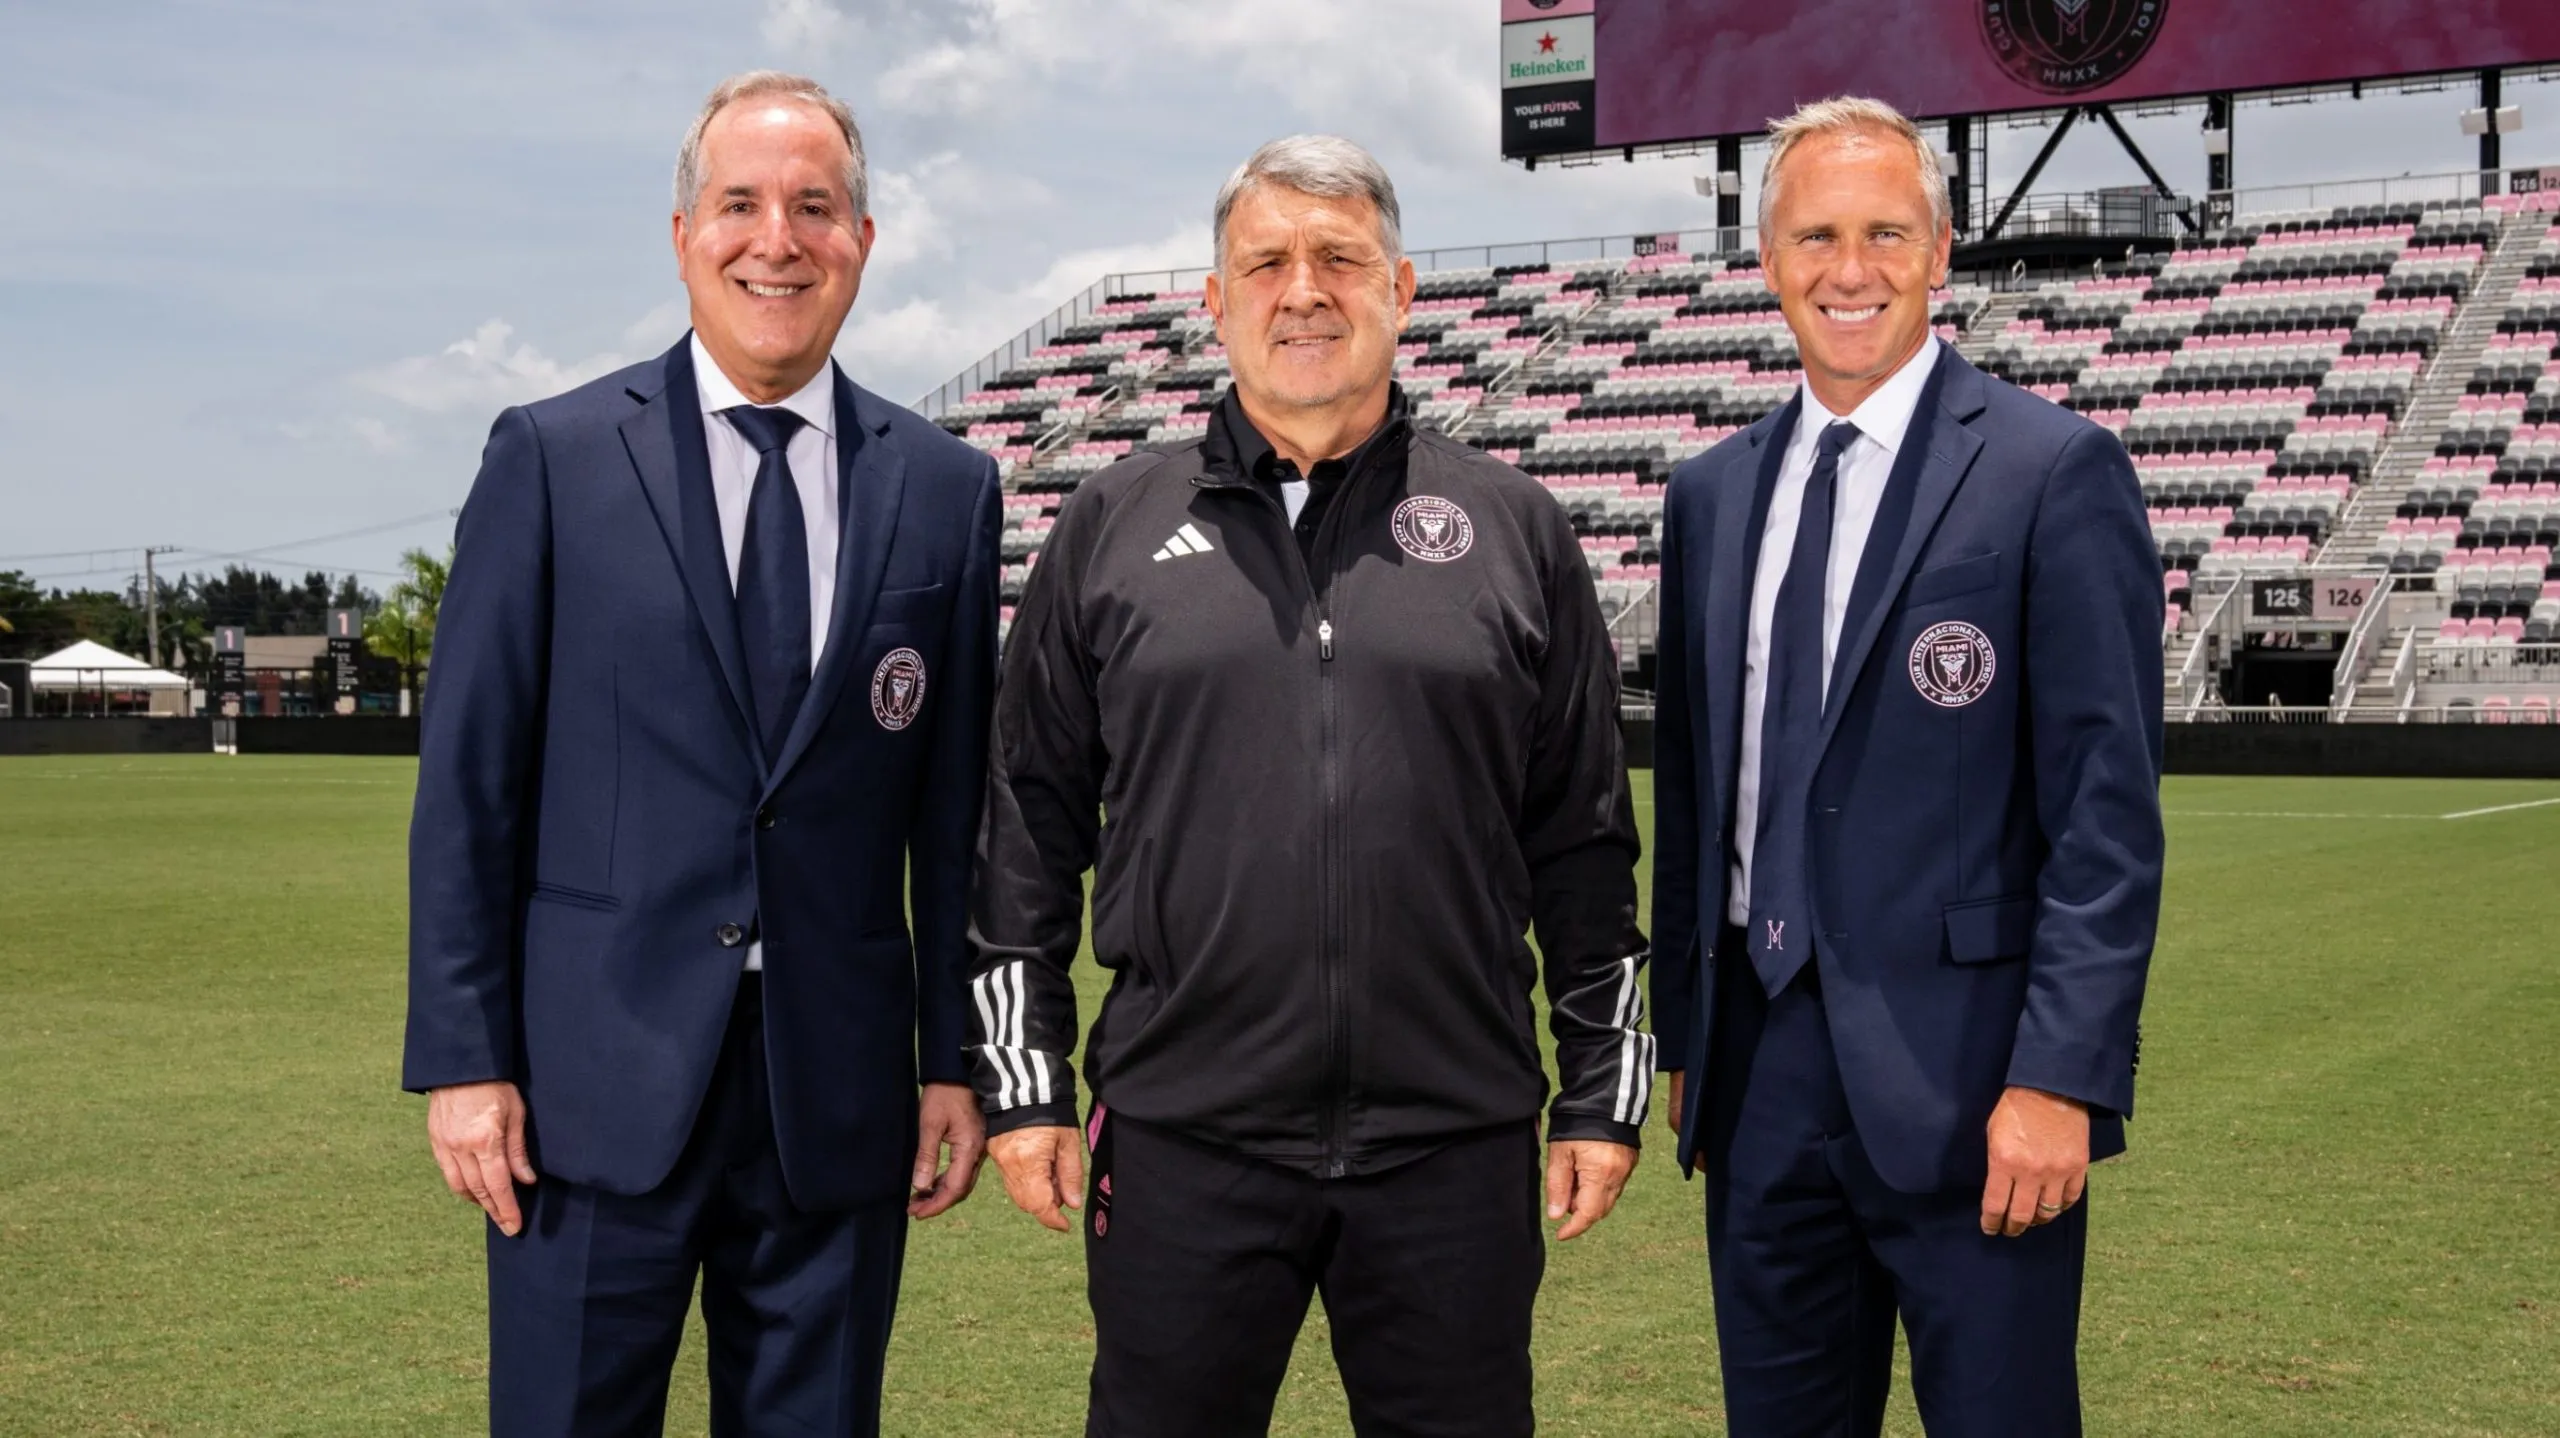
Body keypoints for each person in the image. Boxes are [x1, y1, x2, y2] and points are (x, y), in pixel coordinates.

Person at [967, 134, 1652, 1438]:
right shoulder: (1112, 524)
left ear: (1400, 288)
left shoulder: (1512, 527)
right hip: (1184, 1138)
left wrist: (1604, 1082)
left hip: (1454, 1136)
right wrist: (1024, 1079)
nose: (1305, 290)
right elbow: (1024, 830)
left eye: (1340, 259)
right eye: (1267, 262)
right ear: (1214, 301)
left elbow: (1583, 842)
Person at [402, 70, 1000, 1437]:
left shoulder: (948, 488)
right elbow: (472, 785)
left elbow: (955, 812)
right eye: (738, 204)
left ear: (861, 238)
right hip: (583, 1093)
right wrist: (462, 1055)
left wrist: (951, 1057)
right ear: (681, 234)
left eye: (814, 207)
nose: (775, 240)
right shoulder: (551, 458)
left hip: (836, 1097)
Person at [1650, 96, 2163, 1436]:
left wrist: (2064, 1074)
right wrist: (1686, 1030)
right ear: (1768, 258)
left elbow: (2106, 817)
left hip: (1977, 1088)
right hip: (1759, 1079)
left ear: (1942, 248)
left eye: (1887, 231)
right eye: (1817, 234)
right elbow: (1699, 789)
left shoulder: (2055, 471)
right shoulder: (1708, 496)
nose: (1850, 267)